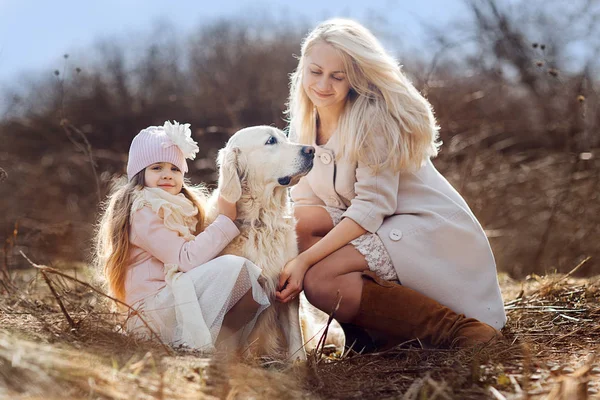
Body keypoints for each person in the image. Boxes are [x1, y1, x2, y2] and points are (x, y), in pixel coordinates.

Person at [276, 19, 506, 349]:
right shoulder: (305, 124)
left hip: (422, 229)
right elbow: (305, 202)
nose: (323, 84)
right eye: (315, 72)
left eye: (337, 76)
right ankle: (370, 338)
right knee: (298, 222)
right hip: (379, 224)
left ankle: (461, 331)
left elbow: (372, 207)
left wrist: (303, 262)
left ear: (355, 78)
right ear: (302, 69)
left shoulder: (372, 120)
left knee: (320, 280)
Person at [95, 121, 270, 353]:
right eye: (157, 168)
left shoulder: (181, 207)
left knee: (253, 283)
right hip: (151, 313)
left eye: (175, 169)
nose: (167, 175)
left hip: (171, 299)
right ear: (140, 173)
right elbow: (185, 259)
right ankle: (207, 347)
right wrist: (226, 221)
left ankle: (224, 349)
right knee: (237, 268)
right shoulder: (143, 210)